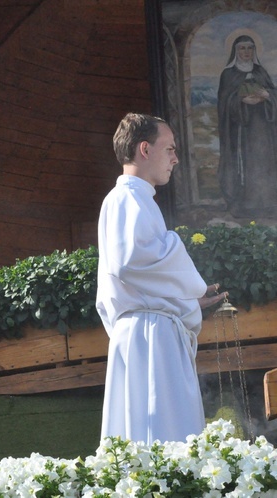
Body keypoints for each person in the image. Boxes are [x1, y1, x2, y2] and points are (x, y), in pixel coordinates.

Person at [97, 113, 227, 444]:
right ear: (144, 149)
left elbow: (144, 273)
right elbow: (134, 260)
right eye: (169, 149)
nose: (175, 158)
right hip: (149, 335)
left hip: (152, 327)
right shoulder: (127, 197)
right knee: (161, 438)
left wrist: (186, 298)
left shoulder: (138, 199)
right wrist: (179, 256)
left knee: (162, 436)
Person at [217, 34, 277, 217]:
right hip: (241, 130)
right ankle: (243, 204)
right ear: (235, 51)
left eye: (250, 48)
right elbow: (223, 102)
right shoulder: (228, 74)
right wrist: (241, 100)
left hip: (262, 130)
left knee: (263, 162)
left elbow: (273, 93)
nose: (246, 52)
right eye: (242, 48)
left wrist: (266, 95)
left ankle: (268, 203)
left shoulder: (260, 72)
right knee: (243, 164)